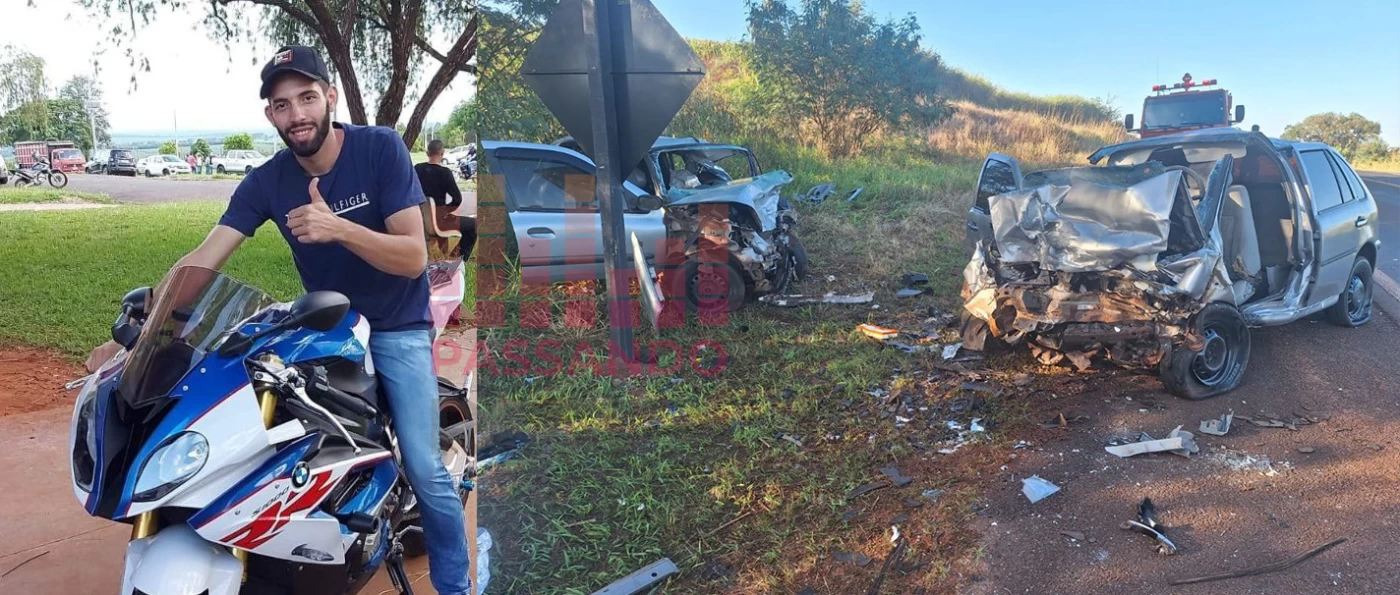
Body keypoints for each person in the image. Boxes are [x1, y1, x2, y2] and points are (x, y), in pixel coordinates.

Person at [85, 45, 472, 595]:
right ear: (270, 114)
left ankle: (456, 585)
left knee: (425, 466)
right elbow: (203, 260)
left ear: (330, 97)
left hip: (396, 325)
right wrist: (135, 337)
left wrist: (338, 228)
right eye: (282, 104)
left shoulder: (380, 148)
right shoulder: (268, 180)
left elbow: (413, 256)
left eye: (307, 98)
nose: (297, 114)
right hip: (328, 323)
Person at [414, 139, 477, 261]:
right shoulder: (445, 173)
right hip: (440, 221)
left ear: (427, 153)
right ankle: (455, 260)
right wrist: (445, 212)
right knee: (474, 225)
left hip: (420, 218)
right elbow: (457, 199)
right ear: (442, 153)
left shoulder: (417, 169)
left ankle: (448, 258)